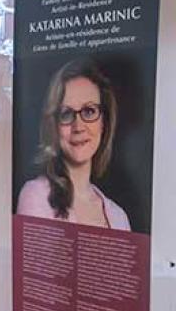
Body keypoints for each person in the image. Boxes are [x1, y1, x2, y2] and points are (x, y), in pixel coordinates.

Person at [17, 59, 130, 230]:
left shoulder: (119, 217)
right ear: (54, 125)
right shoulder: (36, 195)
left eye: (89, 111)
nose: (78, 127)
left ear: (103, 123)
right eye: (66, 114)